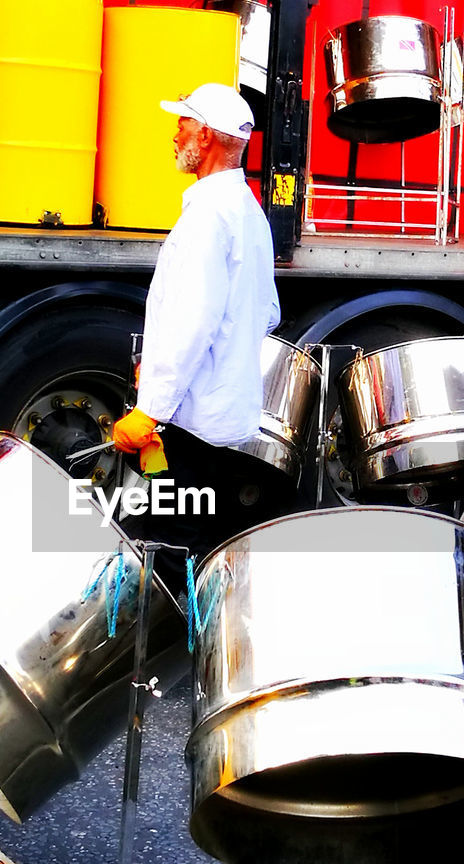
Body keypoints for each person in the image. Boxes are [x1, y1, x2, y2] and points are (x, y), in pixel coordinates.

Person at [111, 82, 281, 590]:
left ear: (204, 136)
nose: (175, 134)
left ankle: (178, 662)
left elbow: (192, 321)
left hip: (190, 425)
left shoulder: (208, 215)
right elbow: (267, 311)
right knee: (207, 552)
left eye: (182, 123)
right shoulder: (248, 211)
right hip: (224, 419)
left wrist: (151, 409)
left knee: (169, 555)